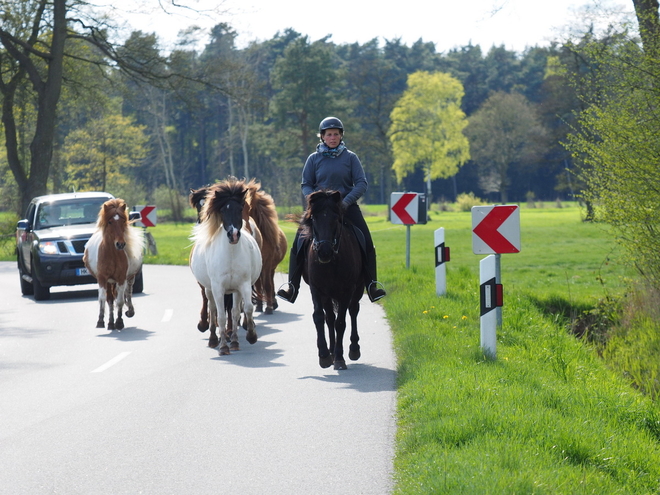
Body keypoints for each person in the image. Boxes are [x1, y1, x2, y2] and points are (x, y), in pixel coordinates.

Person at [277, 116, 387, 303]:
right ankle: (292, 286)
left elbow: (361, 183)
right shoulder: (313, 159)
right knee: (298, 244)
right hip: (319, 210)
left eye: (336, 134)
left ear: (341, 136)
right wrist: (315, 202)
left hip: (346, 206)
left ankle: (372, 285)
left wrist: (345, 202)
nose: (333, 137)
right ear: (322, 137)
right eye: (329, 134)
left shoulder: (350, 158)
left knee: (366, 241)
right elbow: (306, 184)